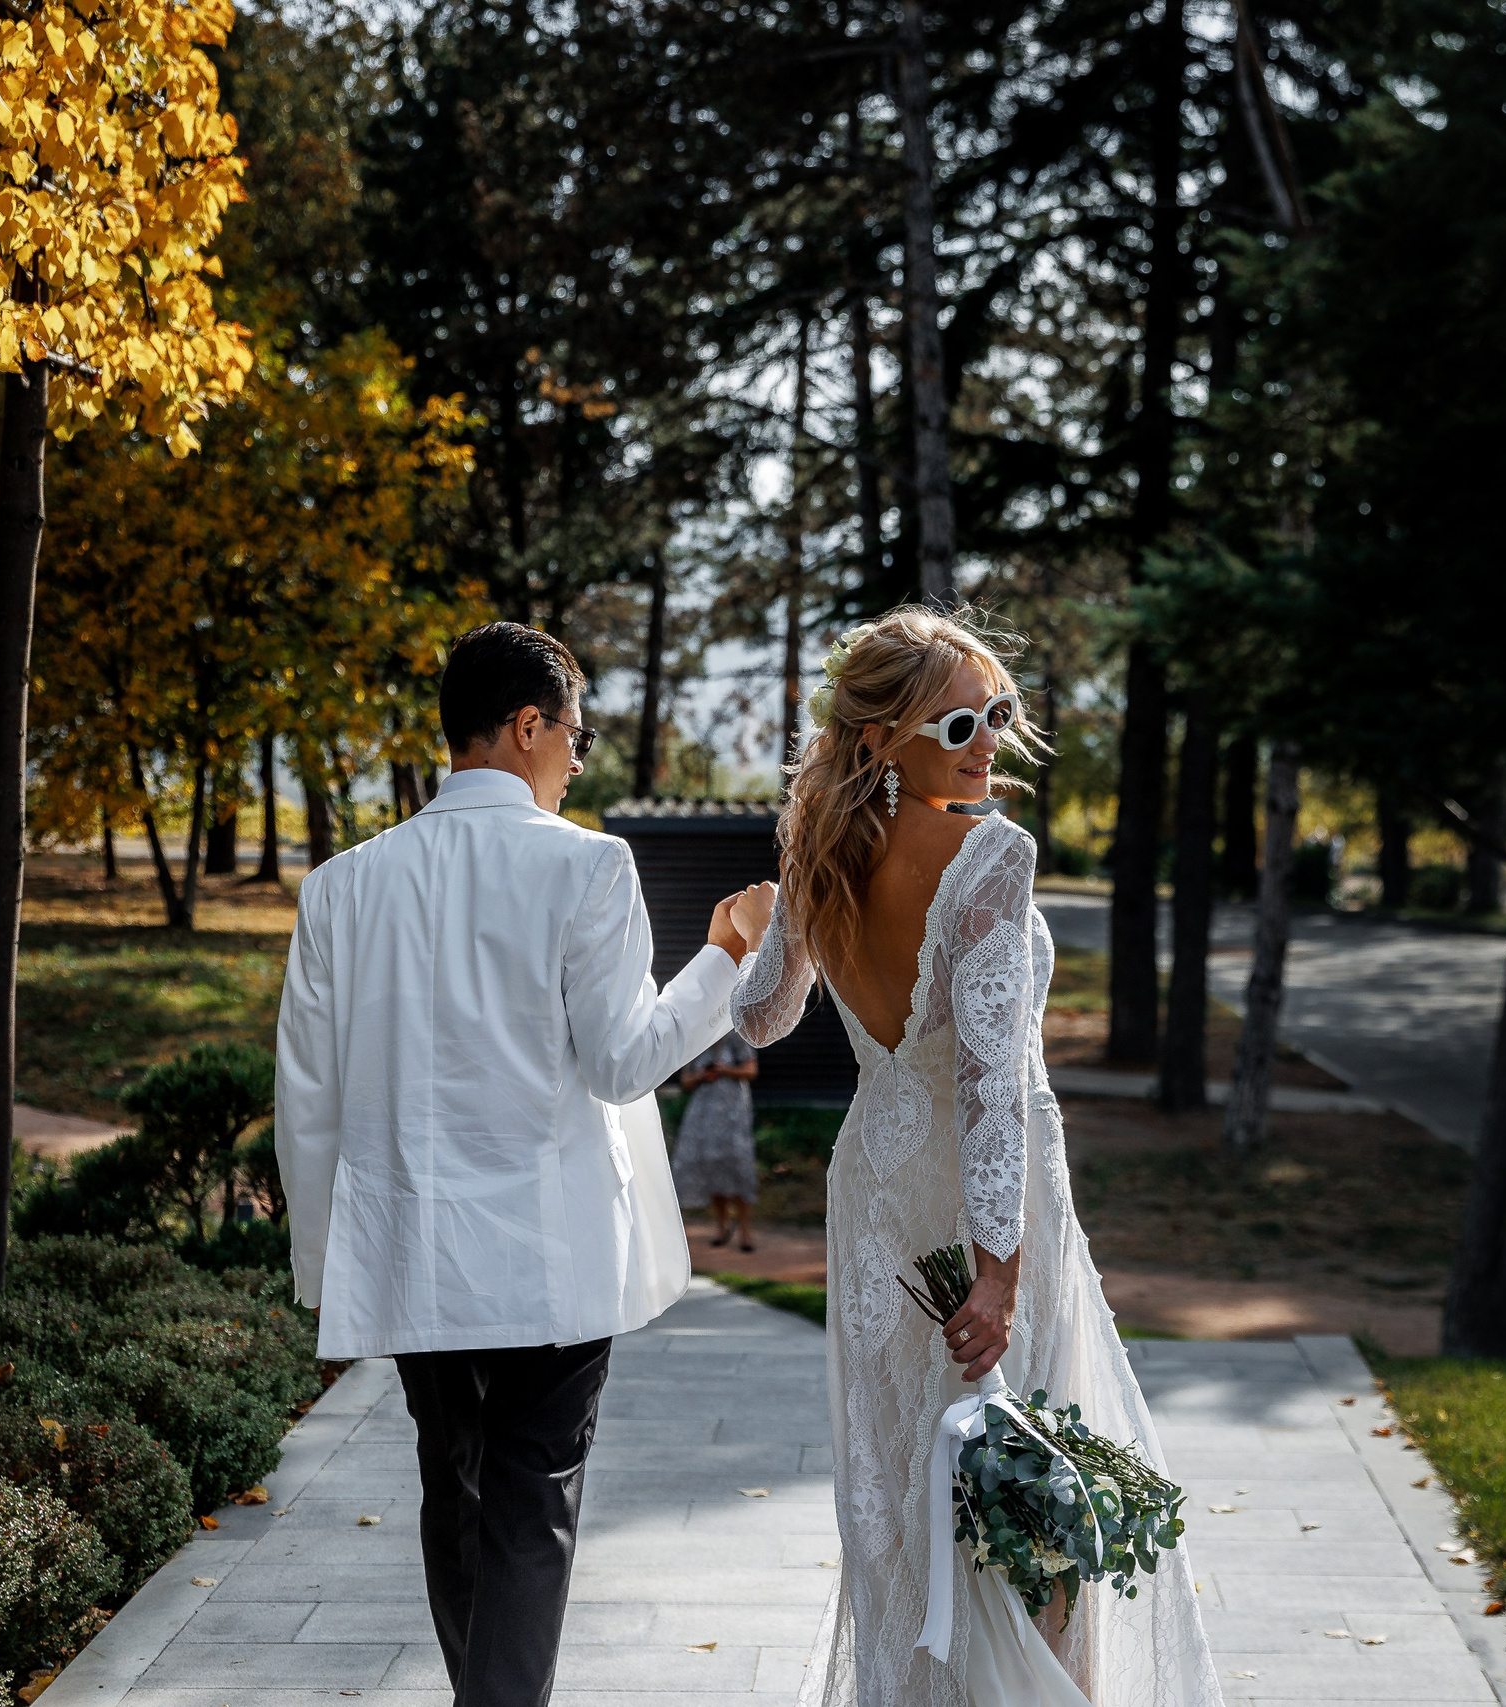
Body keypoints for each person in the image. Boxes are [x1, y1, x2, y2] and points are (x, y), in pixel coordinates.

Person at [273, 620, 775, 1707]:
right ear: (528, 724)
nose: (578, 760)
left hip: (411, 1250)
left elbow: (307, 1099)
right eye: (577, 736)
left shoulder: (341, 886)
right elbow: (624, 1061)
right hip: (552, 1252)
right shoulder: (588, 864)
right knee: (530, 1498)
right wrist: (724, 955)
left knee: (453, 1491)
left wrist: (323, 1267)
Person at [733, 608, 1221, 1707]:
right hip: (983, 1201)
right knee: (1028, 1490)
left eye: (994, 713)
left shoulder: (817, 851)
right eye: (956, 724)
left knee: (911, 1486)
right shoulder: (992, 854)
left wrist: (747, 933)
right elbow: (991, 1082)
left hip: (874, 1193)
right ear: (879, 740)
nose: (987, 741)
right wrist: (998, 1270)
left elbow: (761, 1016)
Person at [674, 1032, 761, 1250]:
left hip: (733, 1114)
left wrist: (725, 1070)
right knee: (712, 1164)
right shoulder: (698, 1038)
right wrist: (703, 1075)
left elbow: (751, 1070)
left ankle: (745, 1232)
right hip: (705, 1114)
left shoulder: (736, 1037)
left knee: (738, 1165)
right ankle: (722, 1226)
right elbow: (686, 1080)